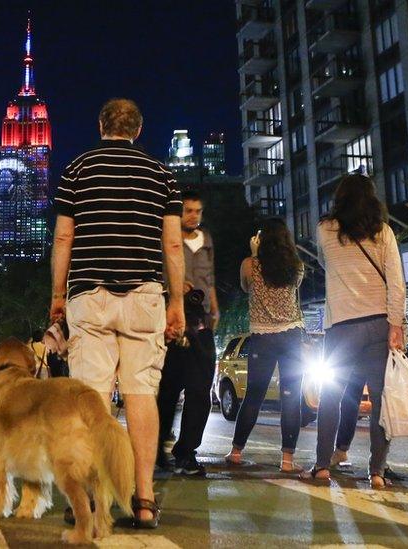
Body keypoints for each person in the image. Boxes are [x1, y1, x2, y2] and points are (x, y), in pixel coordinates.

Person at [50, 98, 185, 528]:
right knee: (141, 394)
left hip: (90, 296)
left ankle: (91, 500)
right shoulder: (163, 175)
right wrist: (176, 301)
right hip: (145, 295)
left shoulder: (76, 170)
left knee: (92, 399)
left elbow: (63, 237)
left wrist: (57, 295)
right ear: (138, 131)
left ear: (101, 125)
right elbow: (174, 245)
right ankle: (143, 499)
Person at [303, 174, 405, 489]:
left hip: (341, 326)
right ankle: (377, 471)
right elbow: (396, 282)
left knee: (331, 397)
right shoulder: (383, 232)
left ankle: (322, 466)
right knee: (380, 399)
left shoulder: (325, 229)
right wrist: (396, 324)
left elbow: (324, 263)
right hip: (377, 323)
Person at [226, 218, 304, 472]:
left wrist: (254, 254)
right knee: (290, 397)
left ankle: (236, 452)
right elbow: (294, 289)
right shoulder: (297, 266)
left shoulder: (250, 265)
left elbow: (245, 286)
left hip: (263, 338)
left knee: (253, 396)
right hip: (292, 335)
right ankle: (287, 461)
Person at [156, 190, 218, 476]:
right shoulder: (166, 239)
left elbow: (211, 278)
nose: (193, 216)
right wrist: (172, 289)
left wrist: (214, 309)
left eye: (198, 211)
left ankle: (186, 452)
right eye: (188, 210)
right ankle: (156, 448)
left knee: (200, 391)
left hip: (202, 323)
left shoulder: (206, 240)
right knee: (167, 390)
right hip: (172, 323)